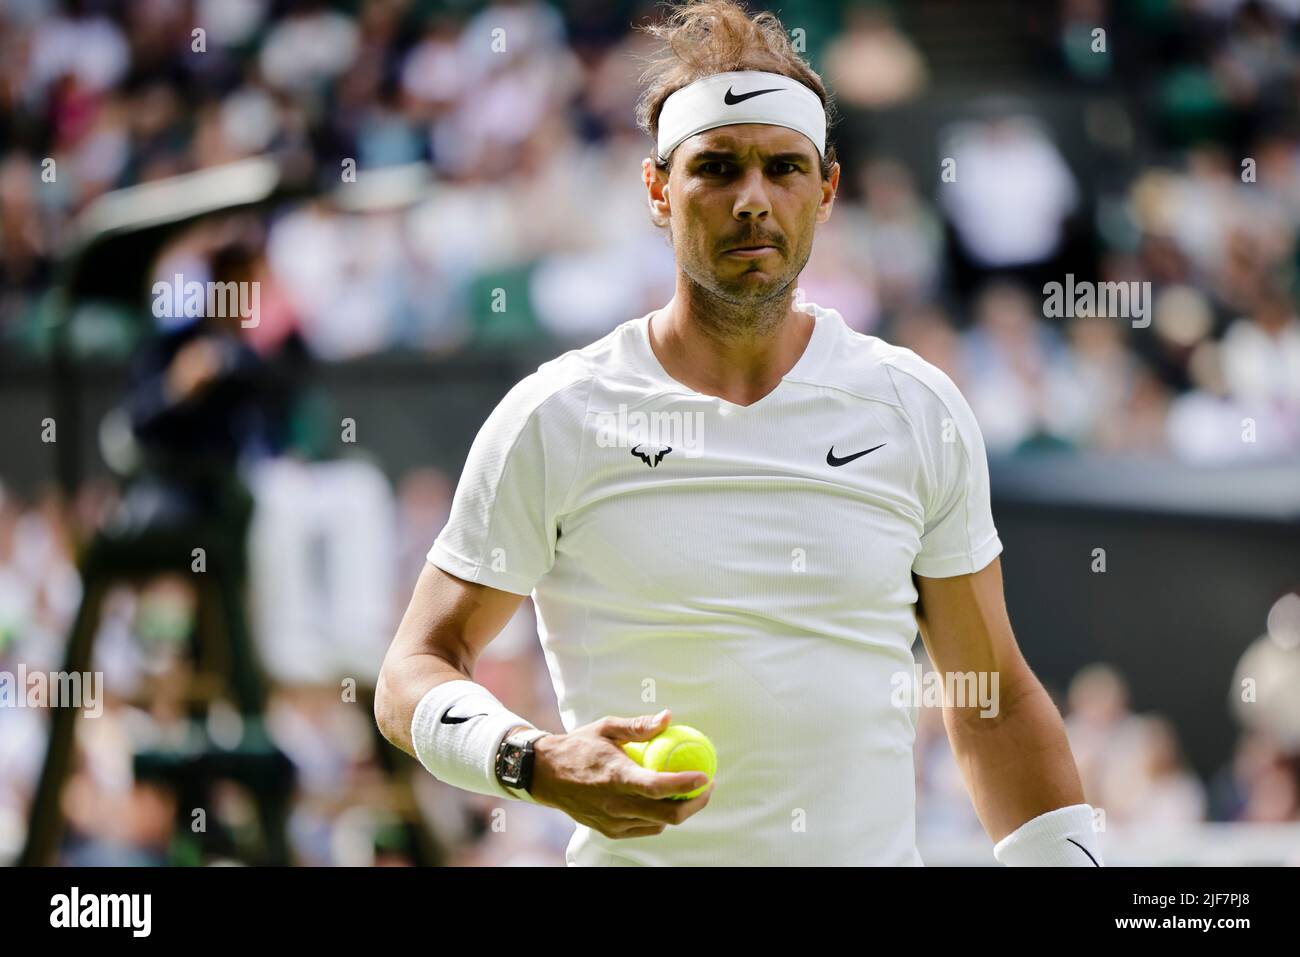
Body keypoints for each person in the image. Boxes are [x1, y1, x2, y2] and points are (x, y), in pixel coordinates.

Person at [375, 0, 1100, 867]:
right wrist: (531, 759)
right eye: (716, 168)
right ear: (657, 190)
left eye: (784, 168)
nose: (754, 200)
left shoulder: (916, 408)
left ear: (826, 191)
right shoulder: (555, 415)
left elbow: (991, 701)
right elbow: (412, 668)